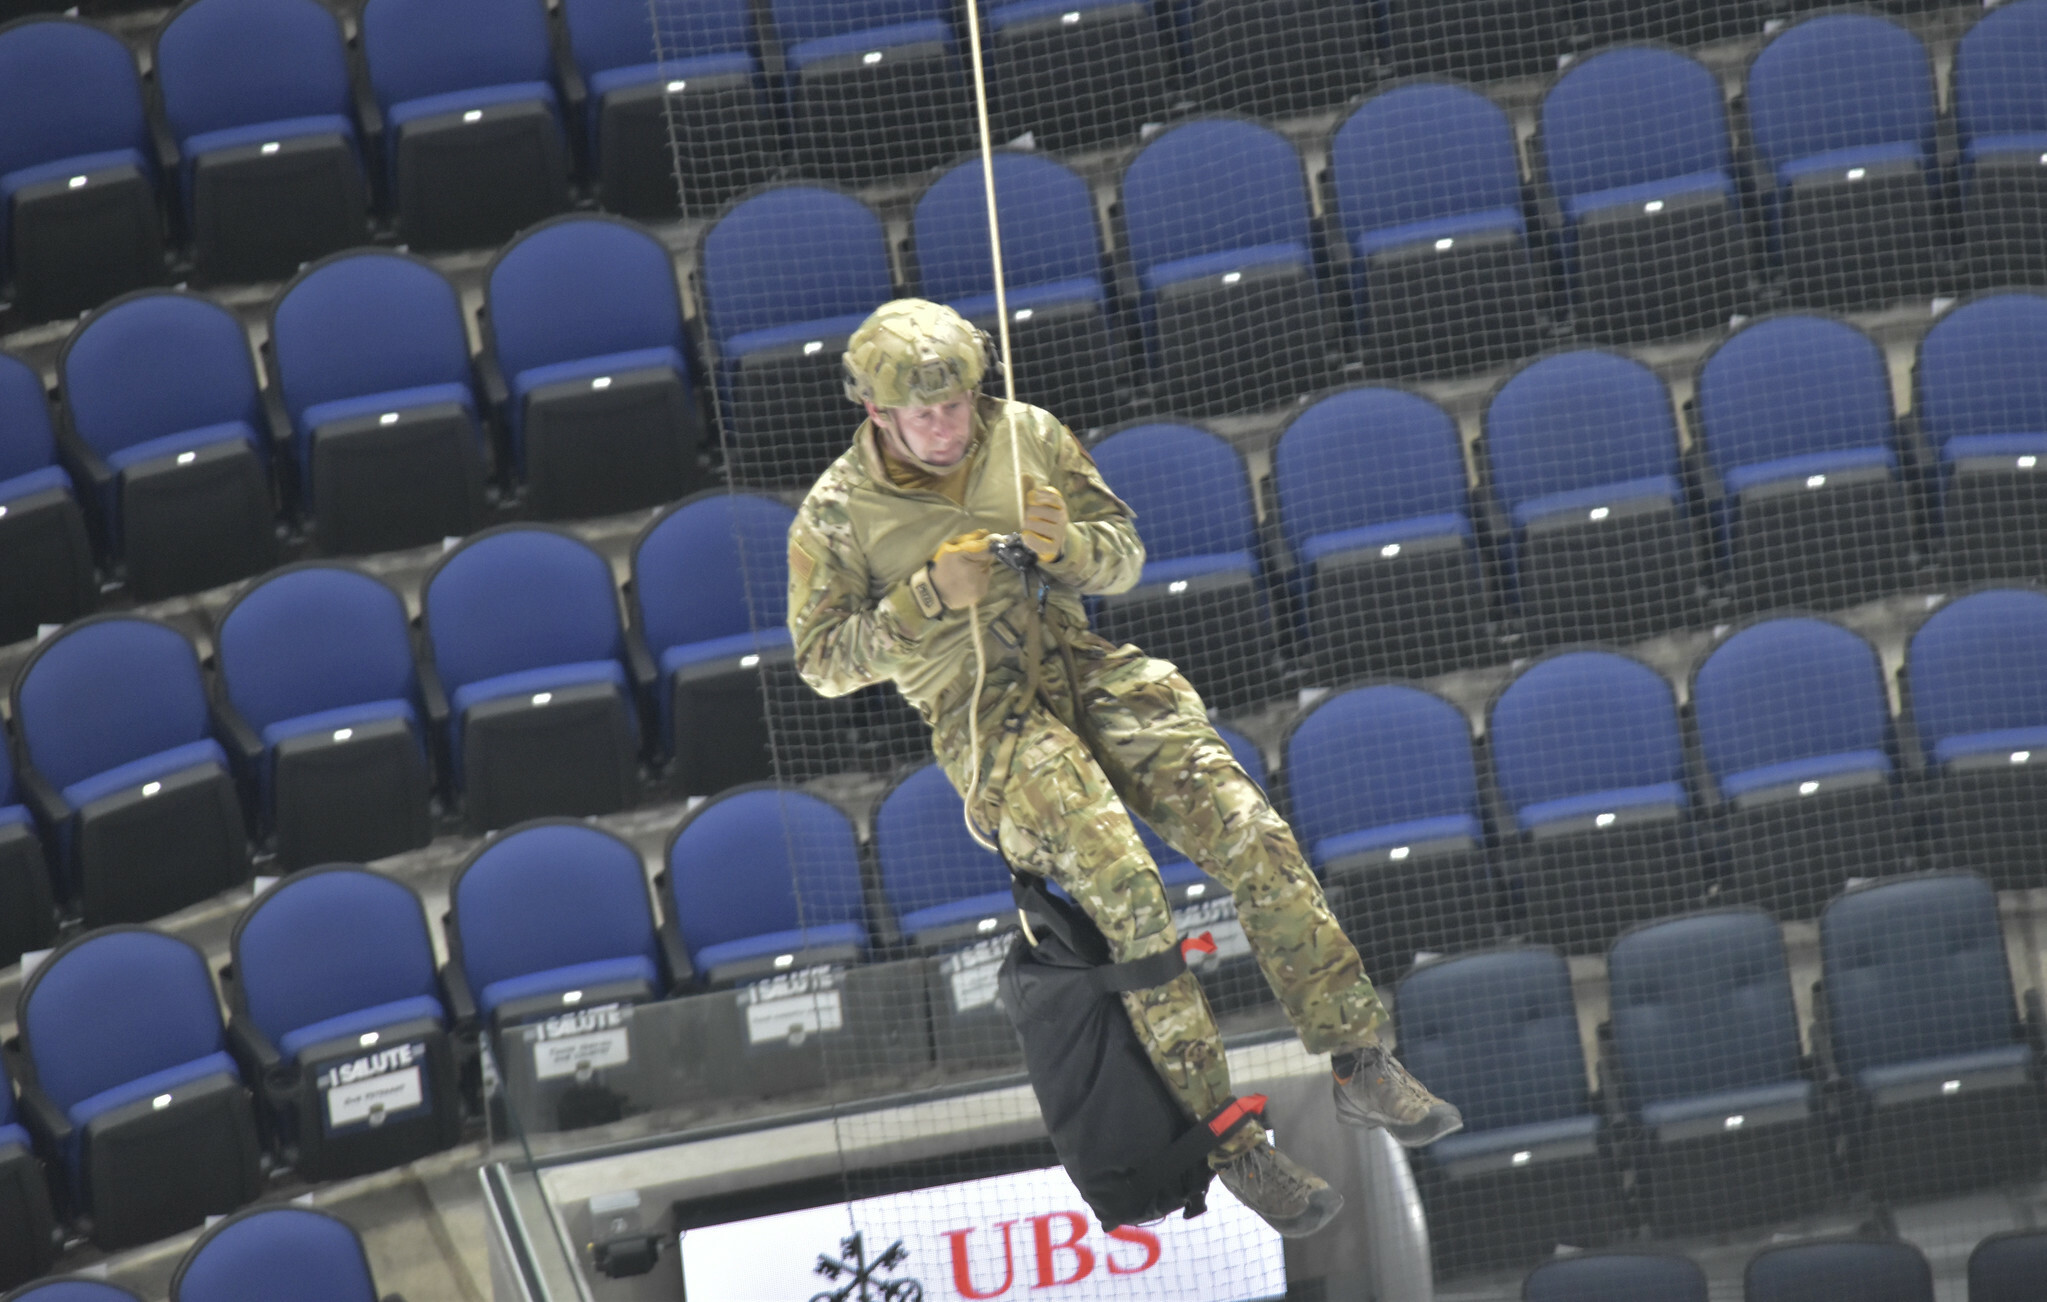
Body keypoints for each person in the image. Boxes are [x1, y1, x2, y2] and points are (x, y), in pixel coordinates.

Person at [786, 299, 1461, 1238]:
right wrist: (928, 595)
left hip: (1090, 676)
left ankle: (1358, 1060)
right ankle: (1231, 1148)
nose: (949, 425)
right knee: (1130, 896)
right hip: (992, 721)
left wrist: (1069, 549)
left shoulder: (1025, 435)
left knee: (1252, 836)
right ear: (876, 413)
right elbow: (822, 662)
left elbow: (1123, 559)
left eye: (960, 403)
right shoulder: (835, 513)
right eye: (925, 412)